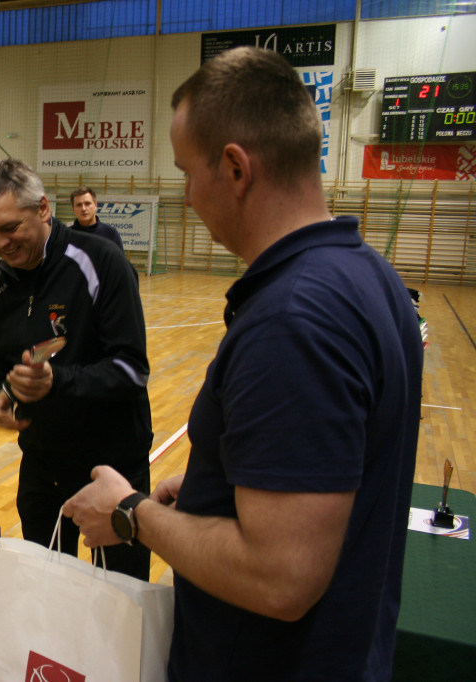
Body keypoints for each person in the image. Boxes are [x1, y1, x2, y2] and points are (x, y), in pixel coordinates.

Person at [62, 47, 423, 681]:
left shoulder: (294, 319)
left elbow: (281, 577)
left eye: (186, 172)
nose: (188, 194)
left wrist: (130, 514)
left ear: (234, 167)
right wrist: (215, 485)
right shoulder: (371, 275)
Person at [0, 159, 153, 580]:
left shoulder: (101, 262)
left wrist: (58, 381)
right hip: (41, 466)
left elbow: (131, 369)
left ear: (43, 209)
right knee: (44, 597)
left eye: (10, 227)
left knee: (119, 601)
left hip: (111, 467)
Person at [69, 186, 124, 252]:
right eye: (79, 205)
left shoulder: (110, 233)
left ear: (95, 205)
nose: (83, 209)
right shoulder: (67, 235)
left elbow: (118, 261)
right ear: (73, 208)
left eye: (87, 203)